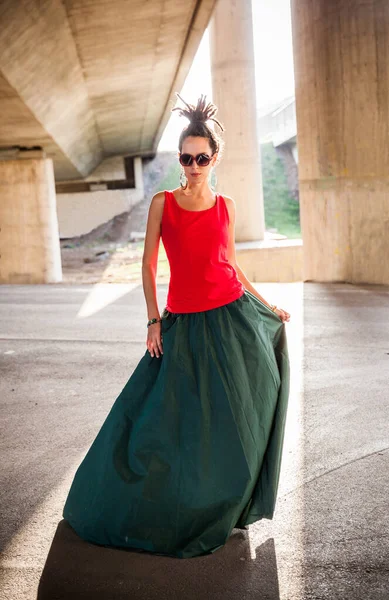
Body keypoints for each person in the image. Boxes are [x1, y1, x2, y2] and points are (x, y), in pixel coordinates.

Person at [62, 93, 291, 560]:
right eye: (185, 158)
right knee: (161, 424)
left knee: (239, 418)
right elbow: (148, 266)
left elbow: (231, 264)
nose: (192, 166)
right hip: (183, 324)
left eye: (200, 157)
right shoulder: (162, 203)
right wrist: (152, 321)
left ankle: (231, 504)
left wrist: (267, 304)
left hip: (232, 318)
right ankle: (156, 507)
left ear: (214, 157)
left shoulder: (226, 205)